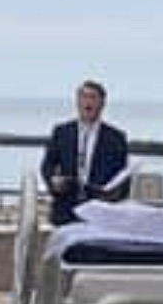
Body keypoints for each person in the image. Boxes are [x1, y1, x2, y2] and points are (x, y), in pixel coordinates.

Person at [38, 79, 131, 226]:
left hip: (101, 213)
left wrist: (112, 196)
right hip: (65, 211)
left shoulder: (116, 138)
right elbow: (47, 165)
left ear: (102, 103)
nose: (87, 101)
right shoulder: (61, 132)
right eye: (82, 96)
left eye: (92, 97)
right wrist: (53, 181)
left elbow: (123, 177)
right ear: (77, 102)